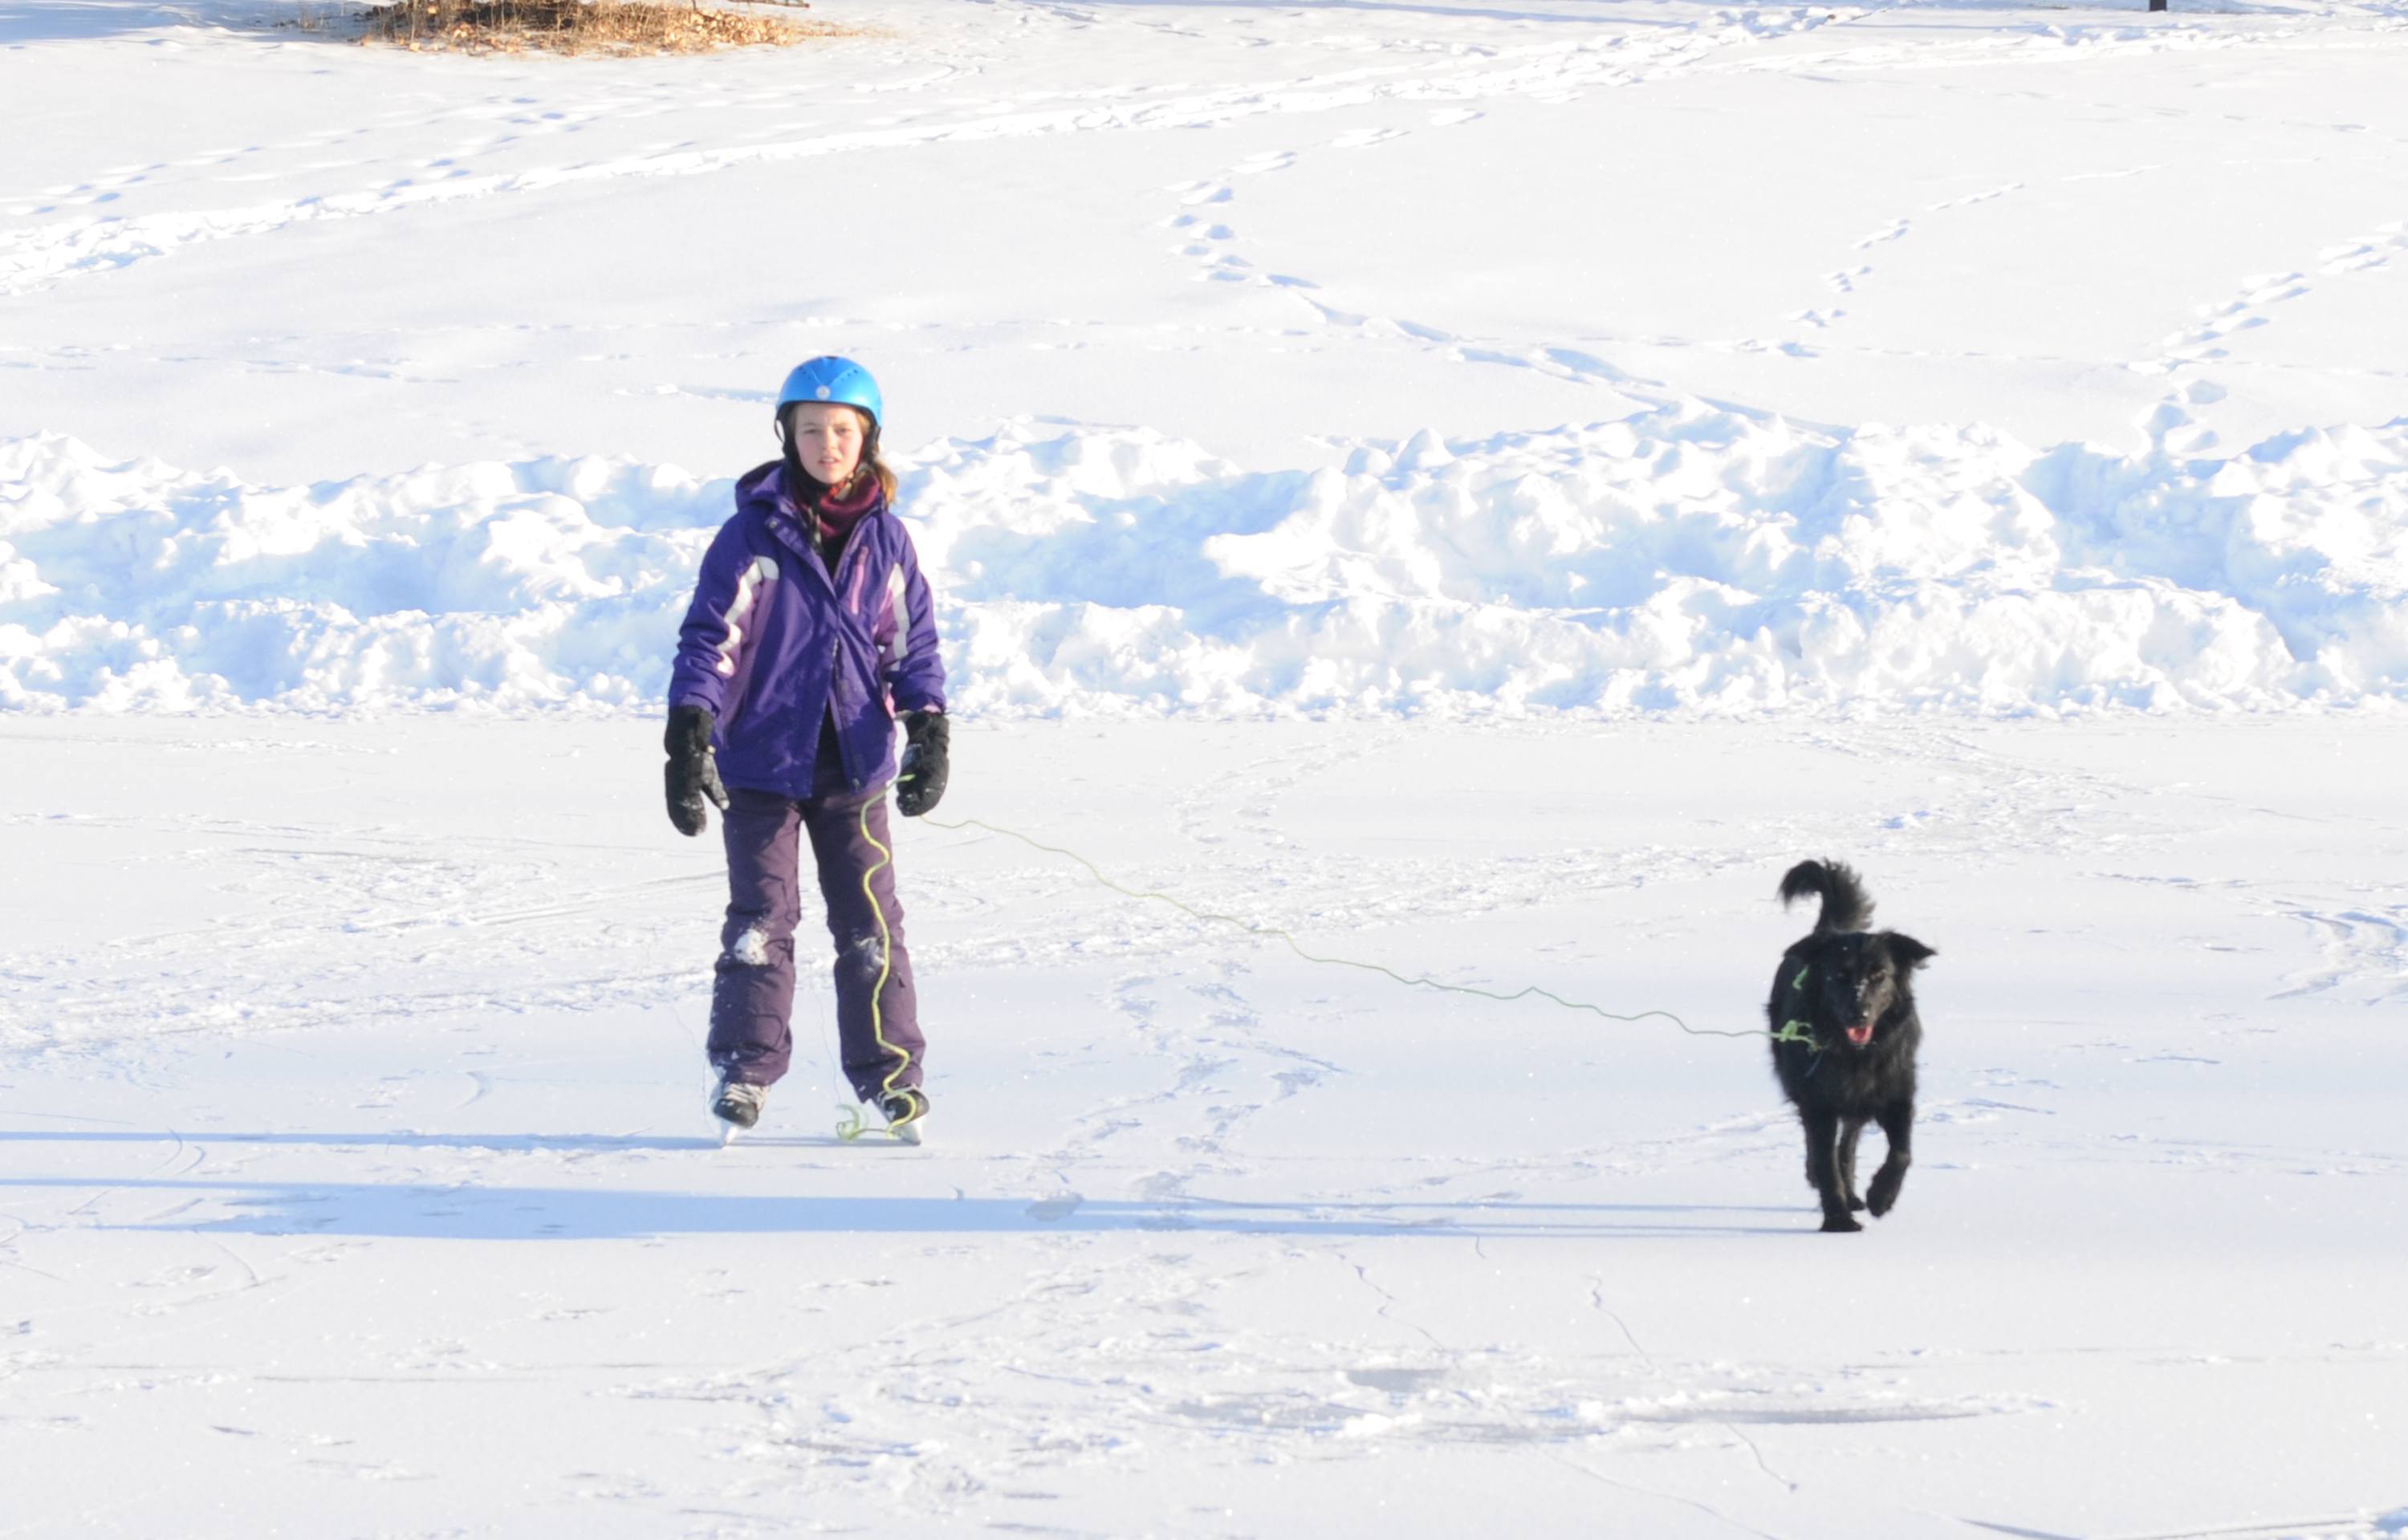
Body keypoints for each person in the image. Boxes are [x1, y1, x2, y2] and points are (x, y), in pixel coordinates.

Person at [661, 356, 950, 1140]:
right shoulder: (751, 534)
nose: (829, 444)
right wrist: (690, 728)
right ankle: (745, 1070)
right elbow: (710, 637)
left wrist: (927, 724)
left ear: (868, 441)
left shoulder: (887, 542)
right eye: (813, 430)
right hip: (762, 764)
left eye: (844, 431)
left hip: (854, 764)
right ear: (787, 436)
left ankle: (891, 1075)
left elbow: (910, 644)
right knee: (762, 917)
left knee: (871, 925)